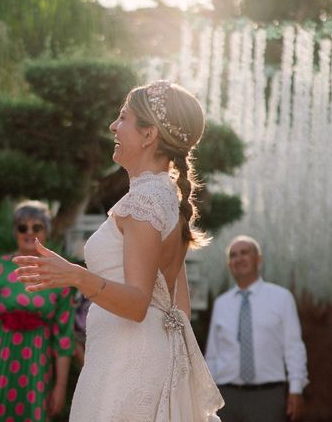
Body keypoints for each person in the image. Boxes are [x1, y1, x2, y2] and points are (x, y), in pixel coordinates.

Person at [14, 80, 224, 421]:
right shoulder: (164, 196)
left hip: (129, 365)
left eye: (123, 117)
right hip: (140, 359)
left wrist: (76, 276)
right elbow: (178, 306)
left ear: (148, 134)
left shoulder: (144, 201)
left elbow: (138, 303)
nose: (113, 125)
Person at [0, 200, 75, 422]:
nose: (29, 233)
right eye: (23, 227)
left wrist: (60, 387)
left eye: (37, 227)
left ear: (47, 232)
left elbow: (64, 338)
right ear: (15, 231)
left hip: (37, 369)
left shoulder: (60, 275)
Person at [205, 235, 308, 422]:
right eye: (233, 255)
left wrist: (296, 389)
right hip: (226, 399)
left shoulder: (282, 298)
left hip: (267, 397)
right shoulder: (221, 304)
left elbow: (294, 348)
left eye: (245, 253)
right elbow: (212, 354)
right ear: (229, 265)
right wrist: (207, 396)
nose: (239, 258)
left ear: (258, 259)